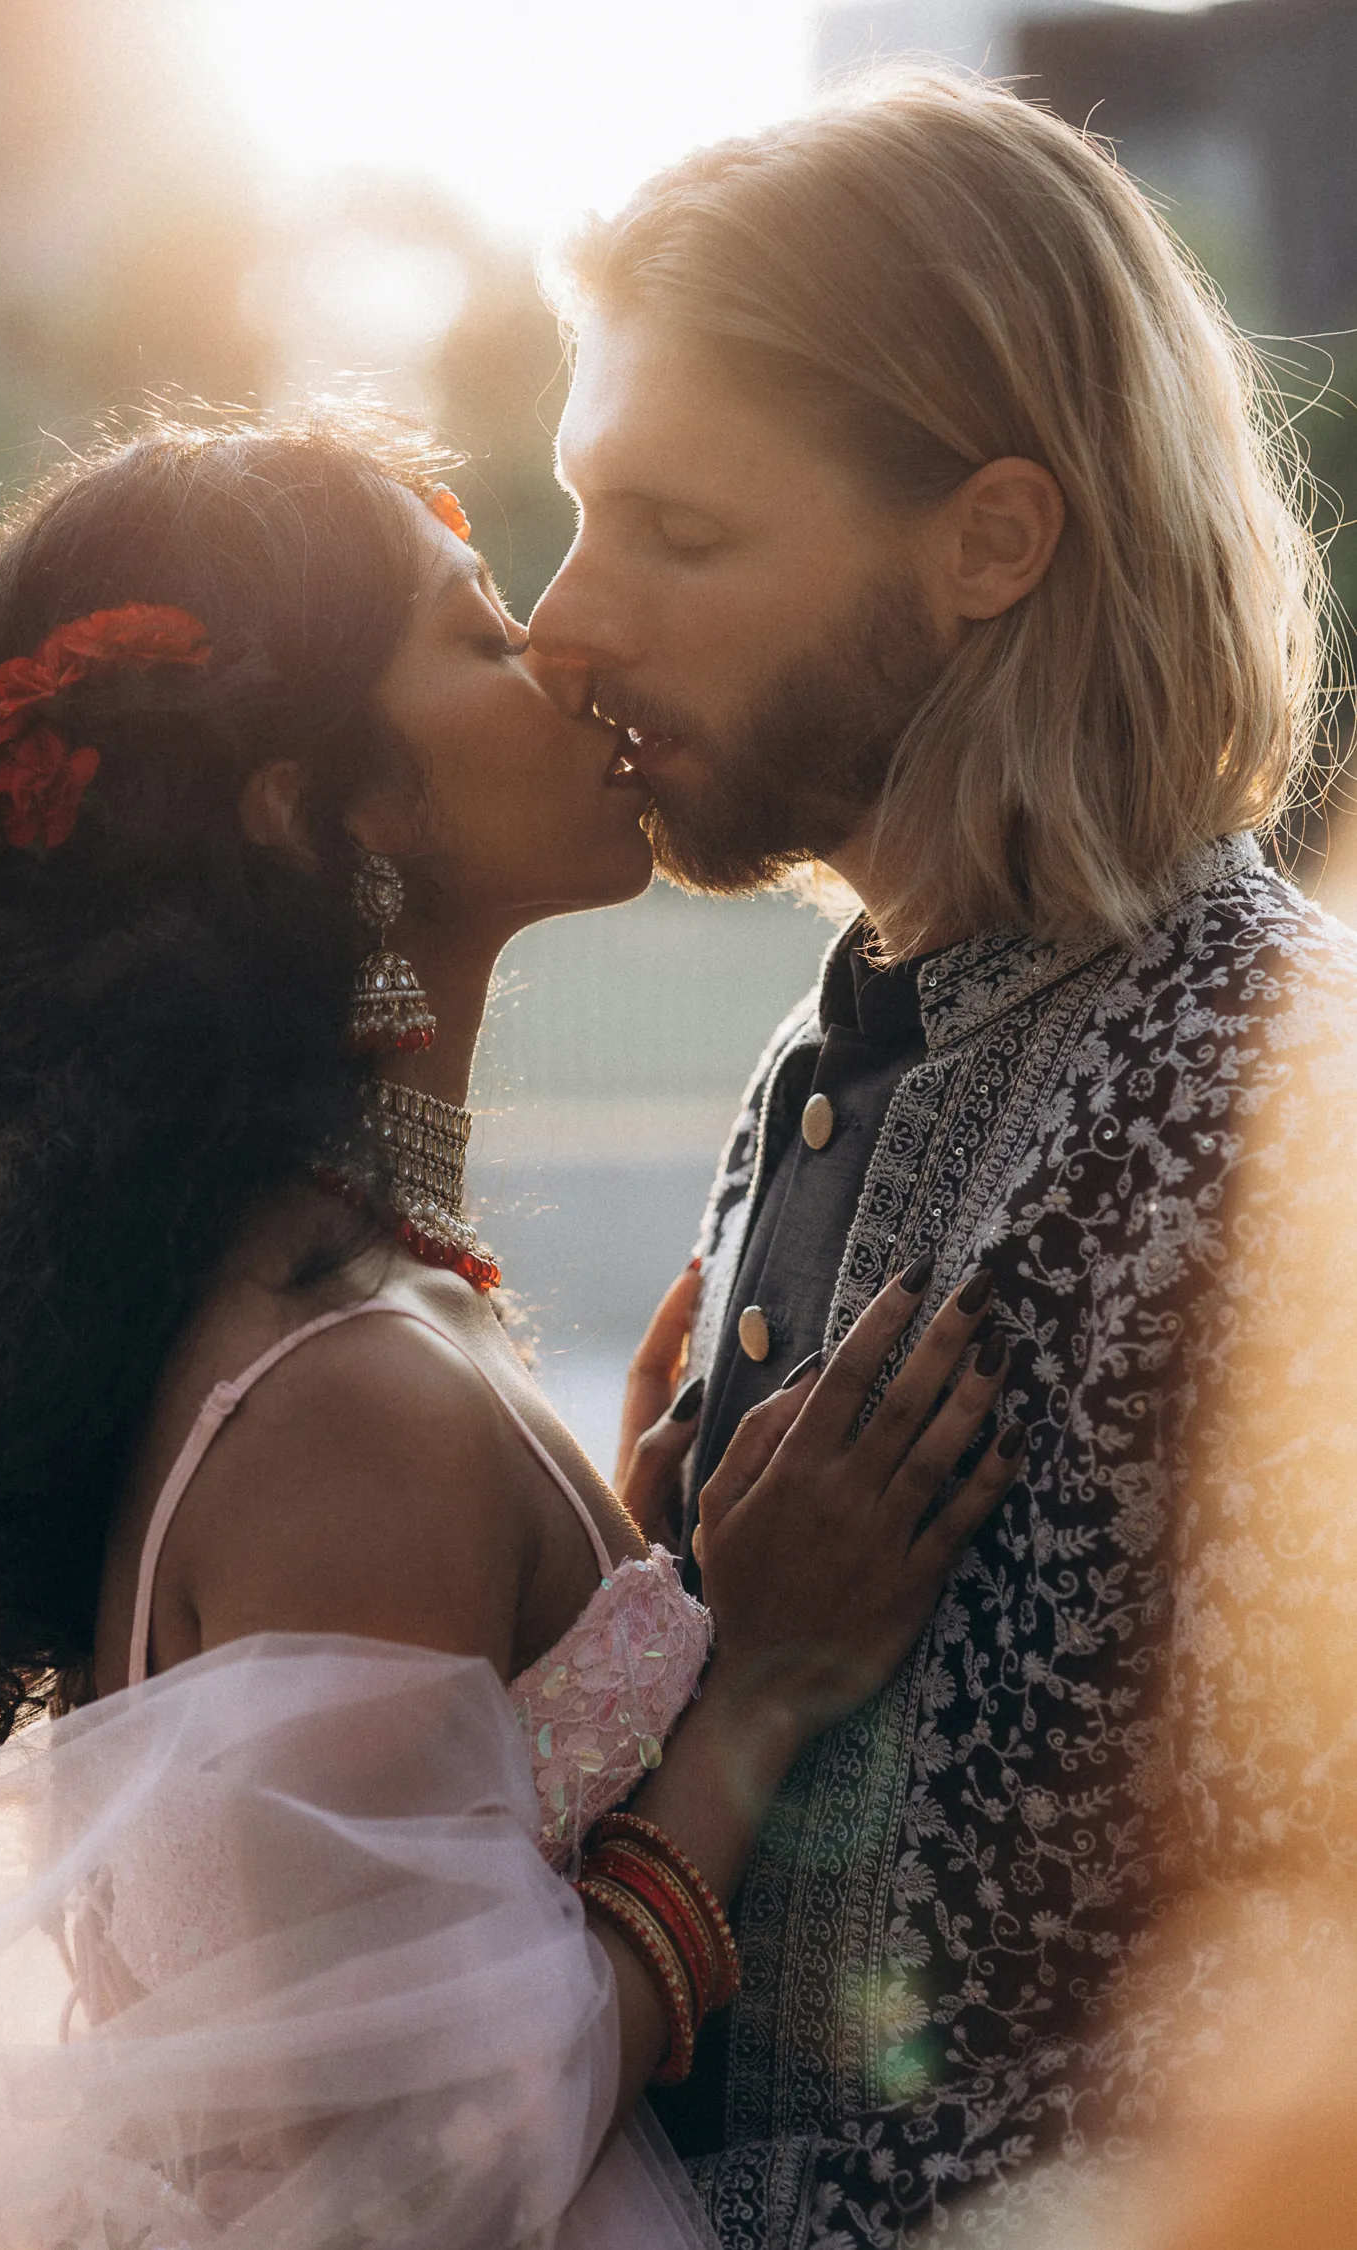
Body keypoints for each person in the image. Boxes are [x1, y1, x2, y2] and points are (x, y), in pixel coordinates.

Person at [0, 413, 1024, 2250]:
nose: (565, 652)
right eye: (482, 635)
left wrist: (636, 1563)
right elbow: (423, 2167)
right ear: (318, 807)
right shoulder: (343, 1394)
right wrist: (761, 1691)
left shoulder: (336, 1306)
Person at [528, 68, 1357, 2250]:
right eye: (577, 509)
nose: (564, 623)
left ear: (992, 539)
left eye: (679, 530)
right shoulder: (839, 1051)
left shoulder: (1291, 1094)